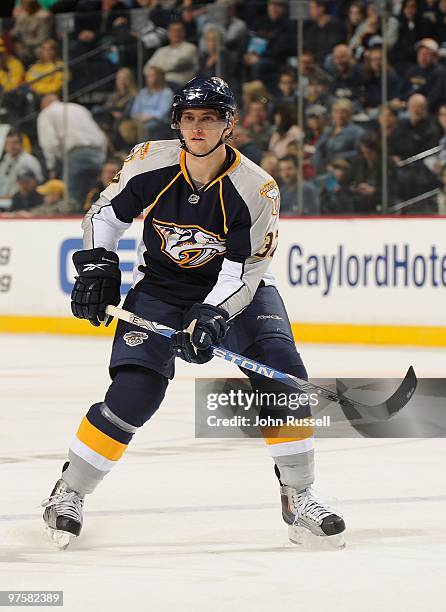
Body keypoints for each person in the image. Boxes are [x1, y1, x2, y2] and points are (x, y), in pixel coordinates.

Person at [41, 76, 345, 548]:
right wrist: (99, 263)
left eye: (209, 119)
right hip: (161, 288)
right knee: (134, 393)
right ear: (177, 123)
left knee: (282, 378)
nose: (197, 128)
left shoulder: (256, 187)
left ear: (229, 125)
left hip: (238, 294)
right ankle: (69, 492)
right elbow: (106, 214)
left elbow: (244, 272)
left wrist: (209, 316)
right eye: (189, 118)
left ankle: (299, 496)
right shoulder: (150, 161)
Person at [37, 94, 107, 209]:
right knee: (93, 198)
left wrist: (52, 166)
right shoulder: (79, 108)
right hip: (98, 153)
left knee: (72, 200)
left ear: (43, 105)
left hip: (76, 154)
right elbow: (100, 134)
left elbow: (49, 142)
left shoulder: (47, 113)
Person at [146, 21, 198, 89]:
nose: (176, 33)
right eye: (173, 31)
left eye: (179, 31)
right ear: (168, 33)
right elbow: (147, 68)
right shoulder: (161, 50)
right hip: (159, 84)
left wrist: (158, 70)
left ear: (184, 32)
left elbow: (177, 65)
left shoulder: (190, 47)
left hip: (179, 85)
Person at [0, 130, 43, 197]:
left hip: (23, 201)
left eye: (14, 143)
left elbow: (35, 185)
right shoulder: (6, 160)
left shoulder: (29, 160)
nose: (11, 146)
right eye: (8, 143)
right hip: (4, 200)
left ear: (21, 144)